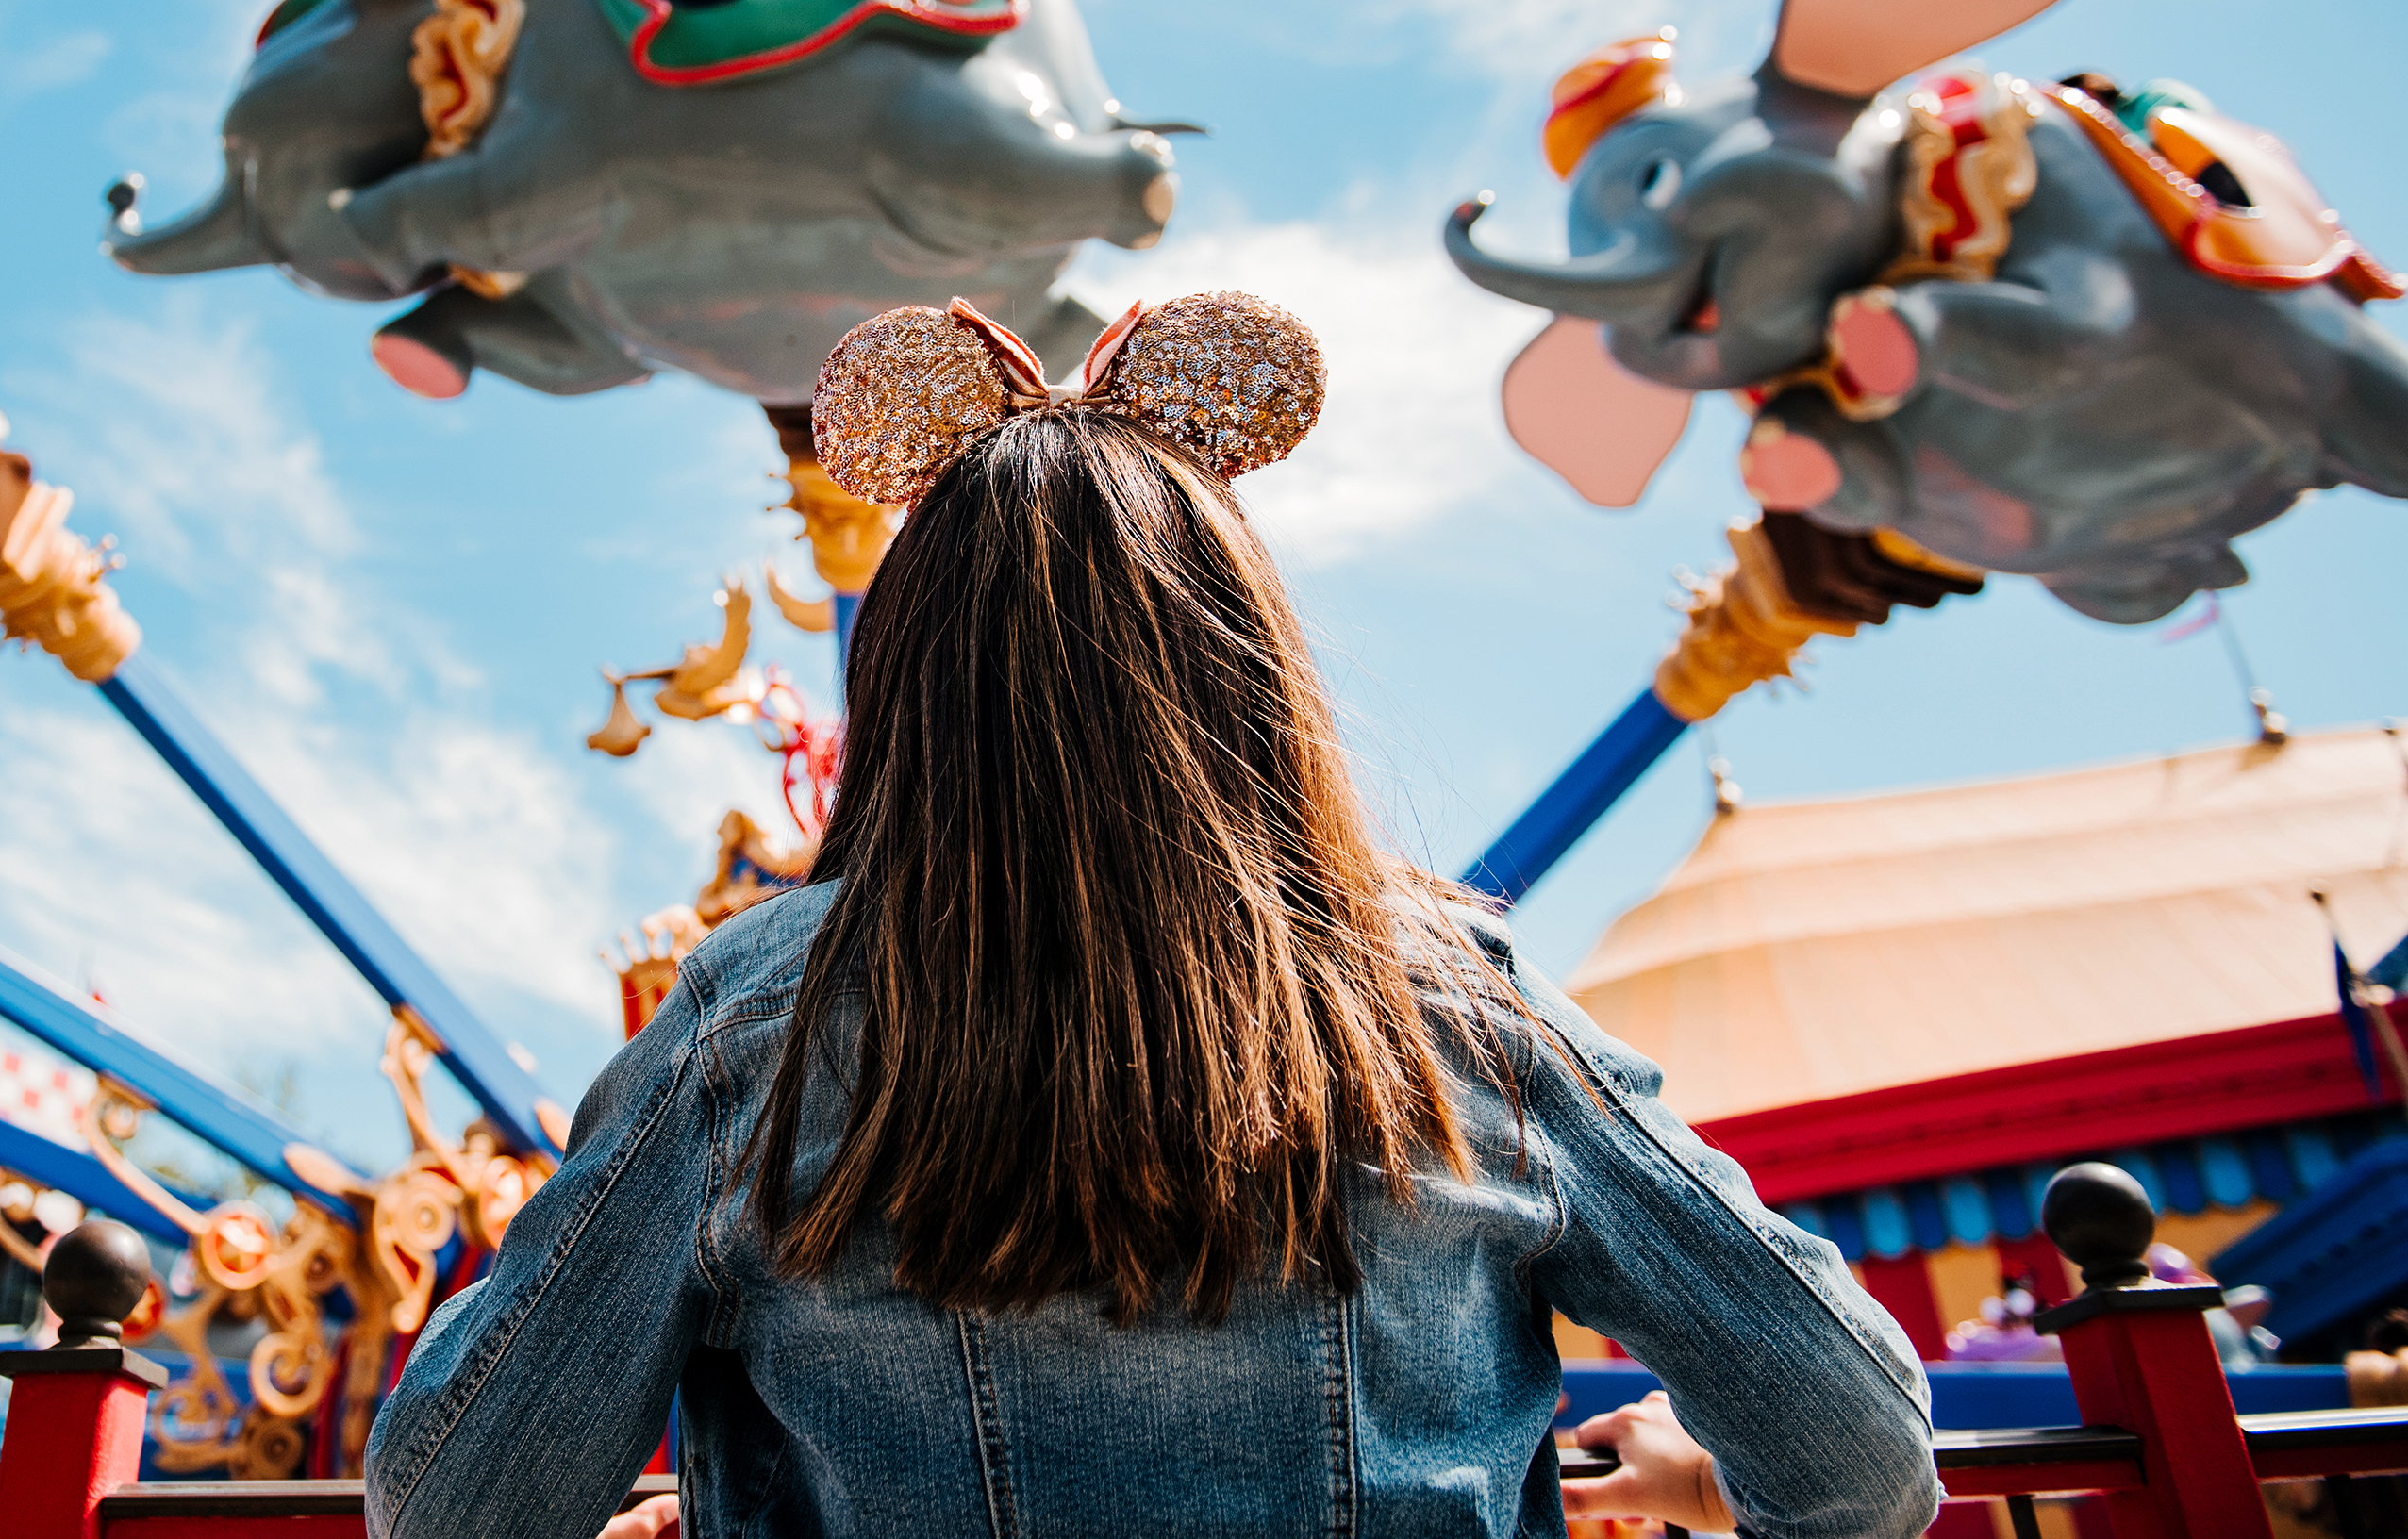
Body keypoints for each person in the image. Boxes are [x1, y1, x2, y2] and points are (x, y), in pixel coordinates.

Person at [367, 293, 1938, 1539]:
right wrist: (1701, 1479)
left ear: (904, 684)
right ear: (1253, 671)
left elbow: (454, 1504)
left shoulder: (751, 1028)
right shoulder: (1461, 1007)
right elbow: (1862, 1455)